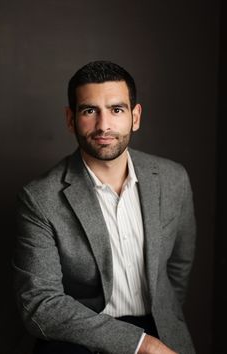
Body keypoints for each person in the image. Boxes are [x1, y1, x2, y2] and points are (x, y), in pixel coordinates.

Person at [13, 61, 196, 354]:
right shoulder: (39, 198)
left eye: (117, 109)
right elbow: (40, 303)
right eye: (89, 111)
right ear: (70, 119)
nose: (104, 126)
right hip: (81, 333)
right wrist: (141, 345)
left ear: (135, 117)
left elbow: (179, 267)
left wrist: (159, 329)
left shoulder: (174, 179)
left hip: (160, 327)